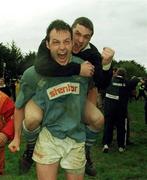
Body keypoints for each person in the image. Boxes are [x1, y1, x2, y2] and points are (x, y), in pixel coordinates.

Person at [9, 17, 115, 176]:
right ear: (48, 43)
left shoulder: (89, 56)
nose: (80, 40)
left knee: (98, 118)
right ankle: (30, 149)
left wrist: (106, 64)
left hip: (73, 111)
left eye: (86, 37)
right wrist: (17, 137)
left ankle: (86, 152)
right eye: (77, 34)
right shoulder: (45, 53)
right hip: (43, 103)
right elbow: (42, 67)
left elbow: (99, 83)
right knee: (32, 119)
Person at [102, 68, 138, 153]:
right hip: (121, 110)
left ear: (116, 73)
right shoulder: (126, 83)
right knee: (121, 127)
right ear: (124, 75)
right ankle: (121, 146)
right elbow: (135, 81)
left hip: (109, 109)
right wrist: (135, 77)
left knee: (108, 126)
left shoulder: (109, 81)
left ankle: (106, 144)